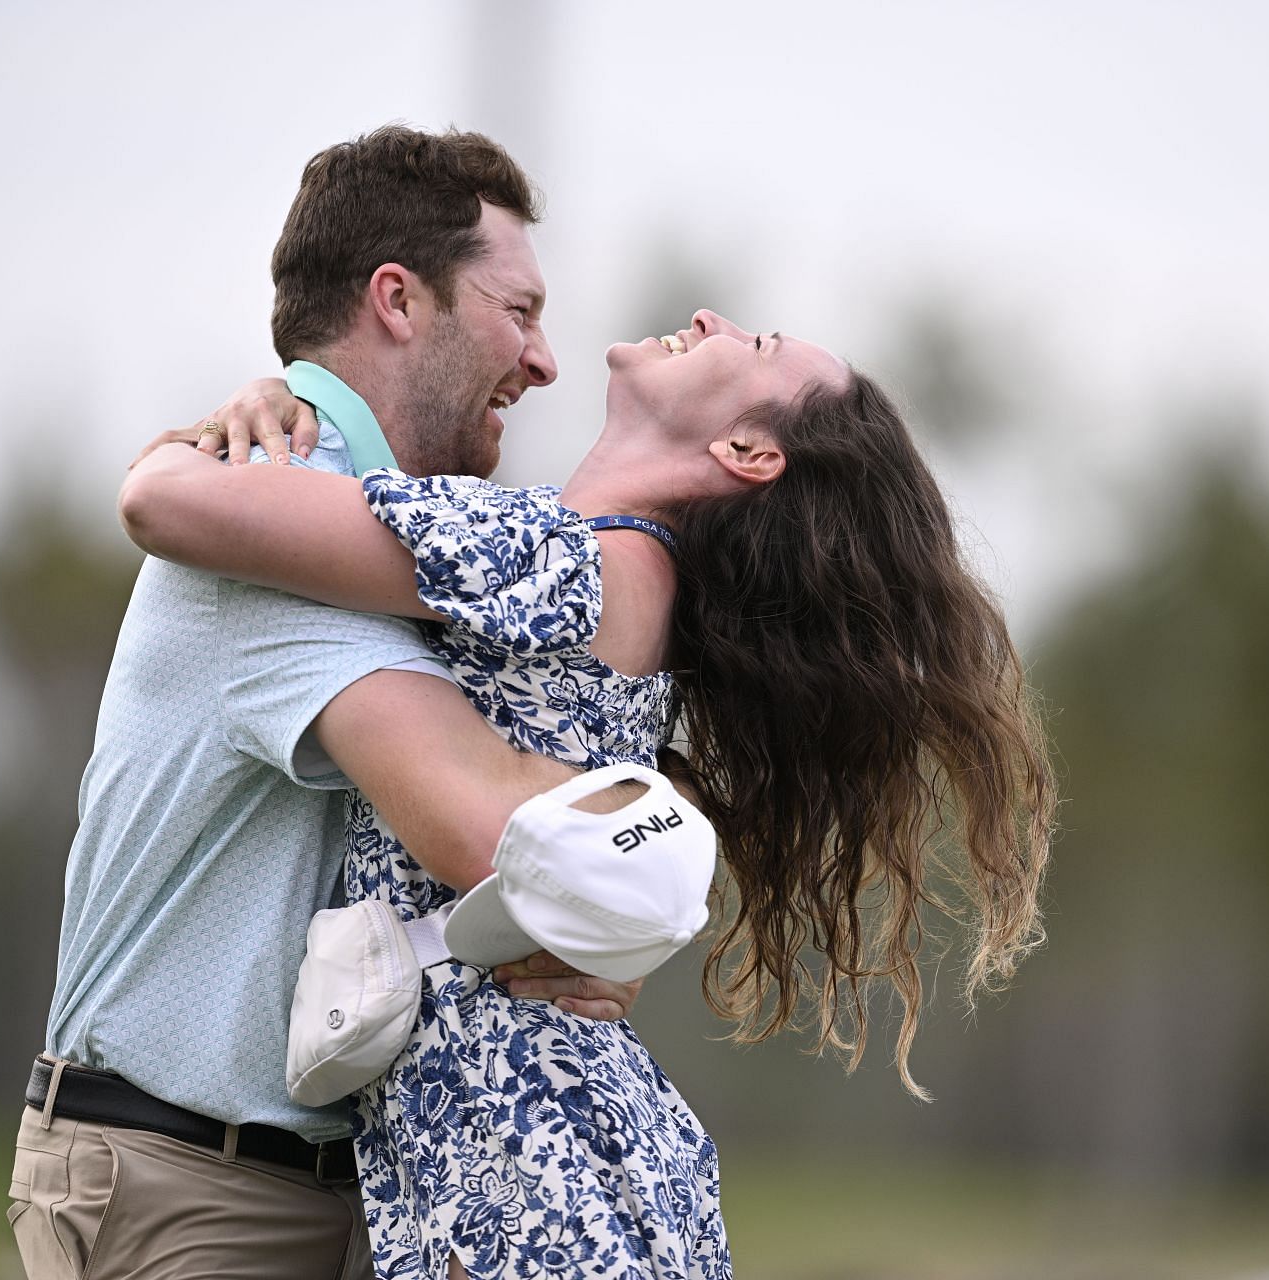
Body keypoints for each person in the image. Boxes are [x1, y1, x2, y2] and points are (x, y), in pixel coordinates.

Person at [119, 307, 1056, 1279]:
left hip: (522, 1152)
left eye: (760, 343)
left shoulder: (564, 561)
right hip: (545, 1132)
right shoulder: (618, 575)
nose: (711, 318)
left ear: (745, 449)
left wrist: (262, 411)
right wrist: (280, 395)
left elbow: (167, 504)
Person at [11, 126, 644, 1280]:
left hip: (306, 1185)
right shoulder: (276, 512)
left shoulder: (359, 520)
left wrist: (581, 914)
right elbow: (481, 817)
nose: (545, 360)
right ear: (398, 300)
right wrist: (625, 880)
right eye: (519, 310)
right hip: (190, 1188)